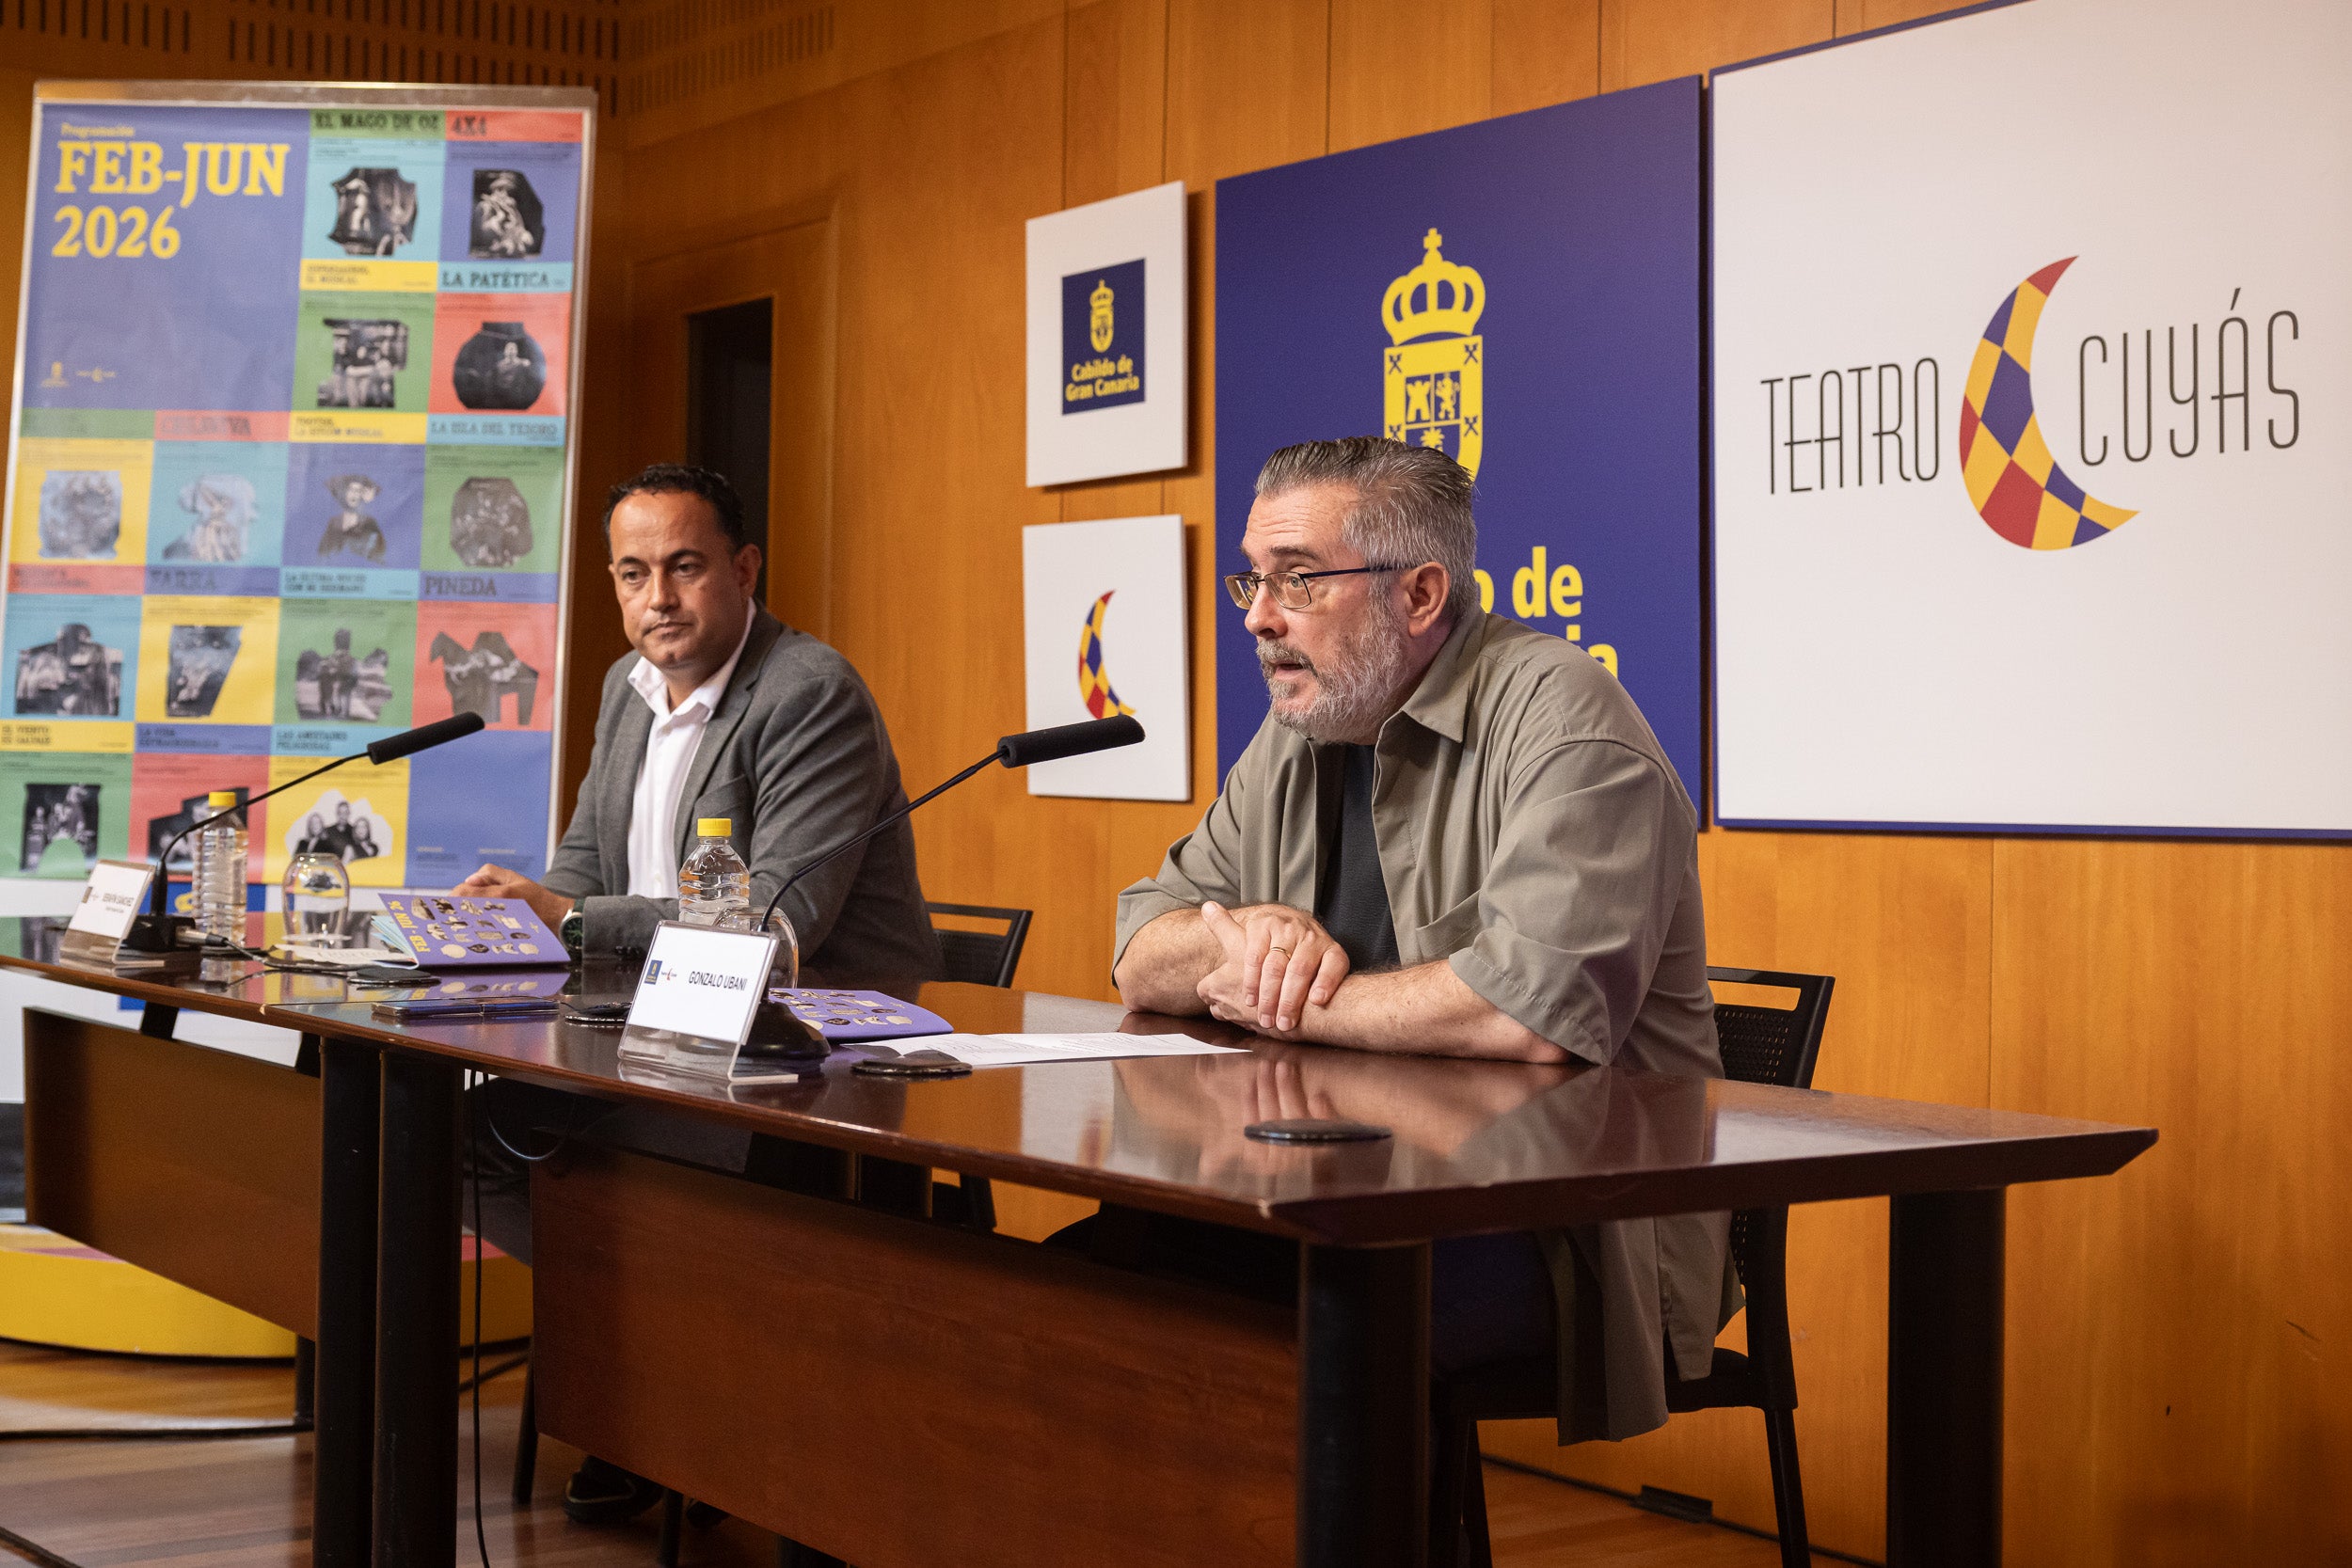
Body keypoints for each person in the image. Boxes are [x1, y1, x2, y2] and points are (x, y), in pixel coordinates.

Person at [1110, 436, 1732, 1445]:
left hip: (1556, 1232)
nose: (1260, 617)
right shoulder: (1299, 729)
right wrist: (1247, 937)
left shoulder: (1567, 723)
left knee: (1266, 1336)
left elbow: (1526, 1012)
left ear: (1420, 592)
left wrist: (1289, 993)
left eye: (1298, 580)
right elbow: (1141, 943)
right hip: (1333, 1192)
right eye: (1253, 580)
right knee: (1086, 1284)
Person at [455, 463, 941, 1530]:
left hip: (808, 1056)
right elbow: (581, 866)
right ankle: (656, 1379)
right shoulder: (626, 693)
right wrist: (518, 912)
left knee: (653, 1165)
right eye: (633, 574)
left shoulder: (806, 690)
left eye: (684, 567)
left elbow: (776, 920)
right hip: (660, 1030)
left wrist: (570, 918)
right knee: (468, 1131)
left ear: (743, 568)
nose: (657, 599)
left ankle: (674, 1409)